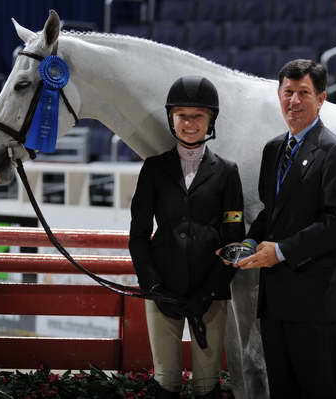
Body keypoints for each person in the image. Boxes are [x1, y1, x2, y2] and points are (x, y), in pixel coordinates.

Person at [236, 59, 336, 398]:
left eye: (303, 93)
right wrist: (247, 243)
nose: (293, 101)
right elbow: (270, 214)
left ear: (321, 98)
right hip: (275, 300)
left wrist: (280, 251)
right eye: (287, 92)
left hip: (315, 302)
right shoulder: (273, 149)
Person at [129, 76, 245, 399]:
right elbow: (138, 234)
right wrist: (152, 284)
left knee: (207, 384)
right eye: (182, 115)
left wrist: (210, 289)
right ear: (172, 119)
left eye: (198, 116)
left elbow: (235, 239)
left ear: (210, 120)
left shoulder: (226, 172)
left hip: (210, 293)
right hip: (162, 291)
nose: (189, 123)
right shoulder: (153, 169)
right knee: (166, 380)